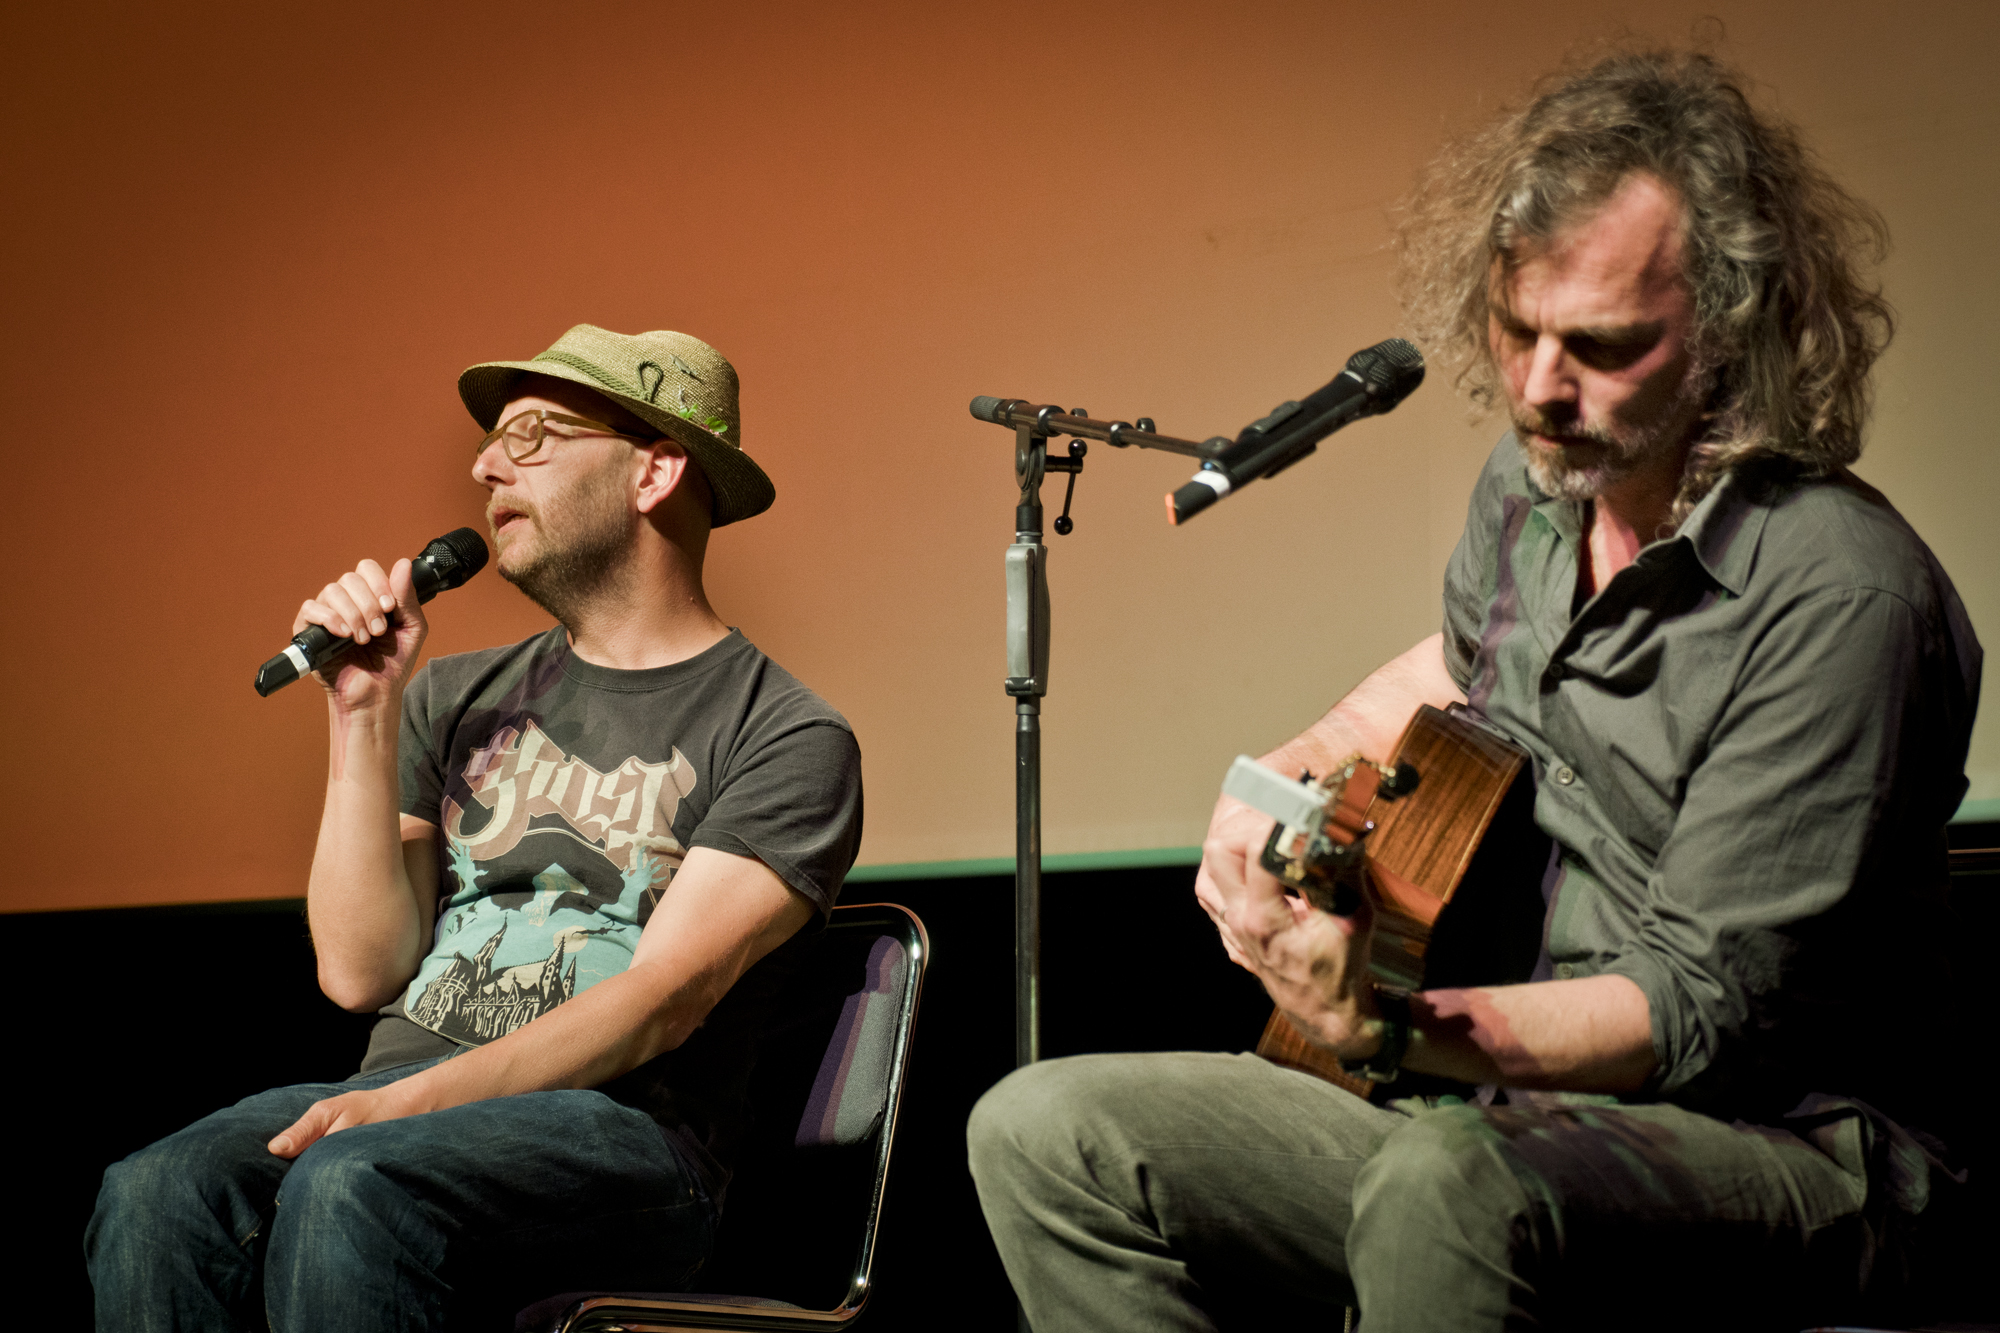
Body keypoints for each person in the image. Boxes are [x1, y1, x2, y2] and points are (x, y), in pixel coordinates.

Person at [968, 50, 1982, 1332]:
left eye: (1601, 346)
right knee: (1045, 1130)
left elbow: (1695, 1011)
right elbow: (1455, 668)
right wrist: (1280, 782)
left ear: (1729, 337)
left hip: (1787, 1151)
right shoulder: (1531, 494)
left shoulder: (1840, 596)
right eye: (1516, 329)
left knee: (1444, 1182)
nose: (1539, 389)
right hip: (1504, 1115)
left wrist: (1388, 1028)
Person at [87, 324, 864, 1330]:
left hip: (622, 1133)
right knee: (158, 1191)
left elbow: (661, 1001)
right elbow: (359, 971)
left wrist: (408, 1107)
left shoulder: (785, 733)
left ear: (656, 471)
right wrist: (362, 711)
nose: (486, 466)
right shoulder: (457, 695)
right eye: (494, 440)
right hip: (404, 1102)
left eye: (532, 434)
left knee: (352, 1184)